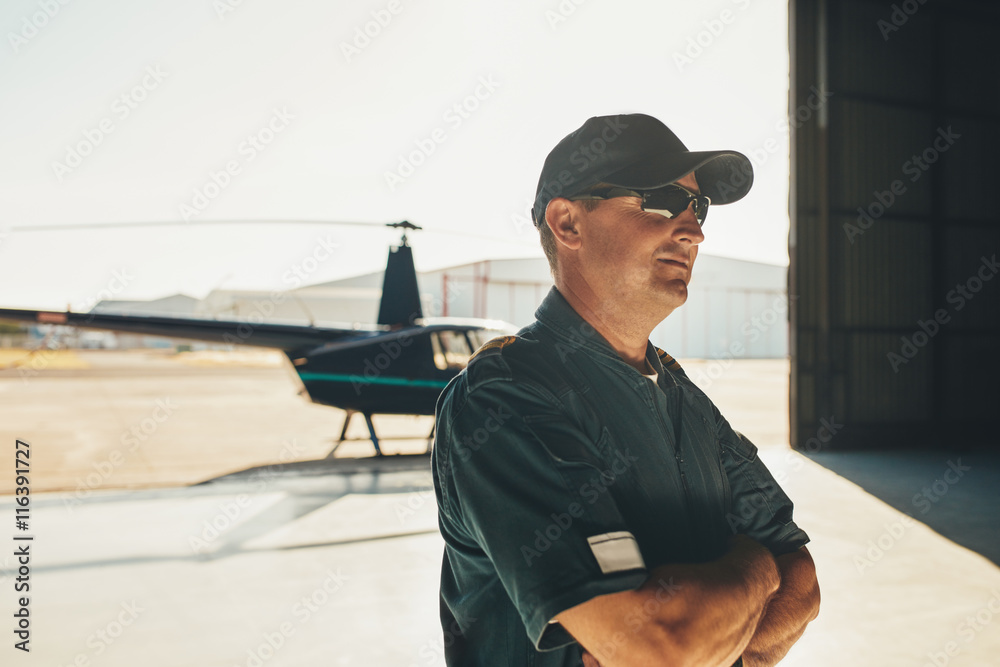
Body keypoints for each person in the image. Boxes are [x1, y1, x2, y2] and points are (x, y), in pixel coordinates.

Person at [431, 113, 820, 666]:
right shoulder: (502, 400)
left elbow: (803, 584)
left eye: (698, 207)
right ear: (567, 223)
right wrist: (757, 569)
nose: (693, 229)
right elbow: (658, 647)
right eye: (660, 200)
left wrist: (709, 632)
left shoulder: (684, 396)